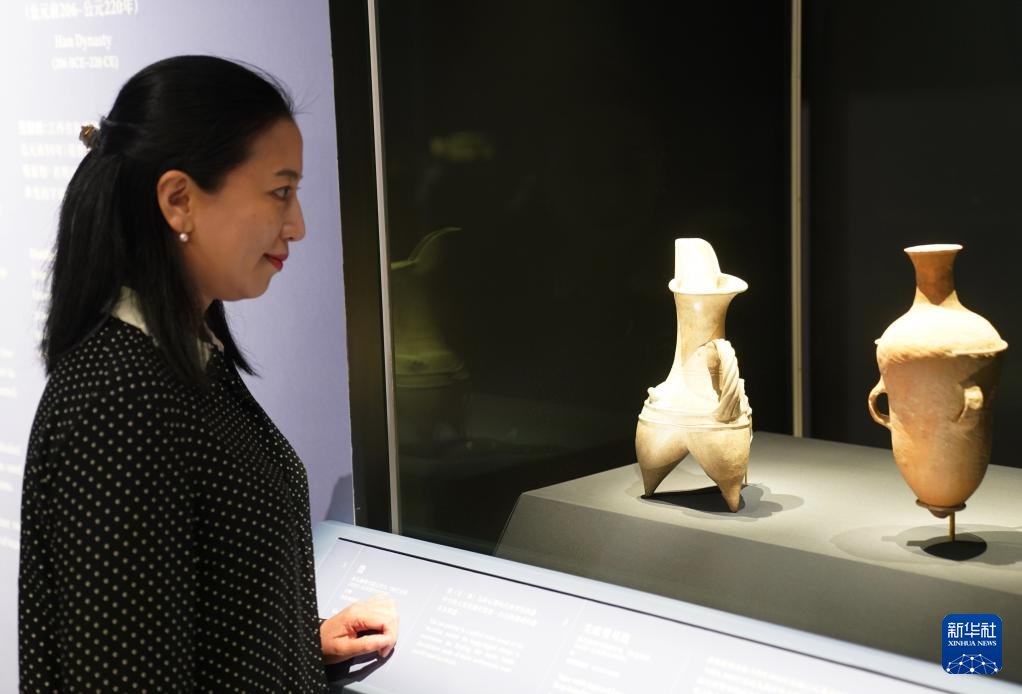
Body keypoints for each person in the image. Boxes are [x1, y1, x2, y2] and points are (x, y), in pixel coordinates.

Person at [18, 55, 397, 692]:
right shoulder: (120, 400)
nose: (298, 225)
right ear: (179, 201)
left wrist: (294, 646)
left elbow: (182, 611)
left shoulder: (178, 359)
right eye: (279, 192)